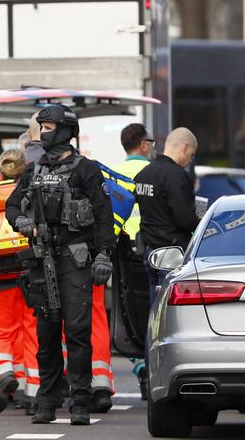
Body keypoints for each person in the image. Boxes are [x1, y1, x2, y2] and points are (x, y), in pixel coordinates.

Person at [5, 104, 115, 425]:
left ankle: (80, 399)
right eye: (42, 126)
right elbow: (13, 204)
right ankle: (48, 400)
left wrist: (104, 255)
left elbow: (104, 217)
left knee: (78, 331)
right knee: (46, 330)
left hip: (75, 257)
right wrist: (22, 221)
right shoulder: (34, 169)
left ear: (67, 131)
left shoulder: (86, 170)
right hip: (42, 258)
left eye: (49, 126)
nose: (44, 132)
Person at [0, 148, 42, 416]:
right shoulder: (31, 192)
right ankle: (34, 393)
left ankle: (3, 374)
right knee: (32, 332)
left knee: (1, 332)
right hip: (30, 273)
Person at [110, 123, 155, 399]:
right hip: (151, 247)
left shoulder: (114, 173)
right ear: (144, 144)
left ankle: (139, 365)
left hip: (122, 250)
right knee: (152, 309)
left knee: (125, 310)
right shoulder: (152, 172)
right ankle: (151, 364)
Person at [133, 127, 200, 302]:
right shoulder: (177, 176)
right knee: (168, 312)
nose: (190, 160)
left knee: (155, 309)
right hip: (171, 254)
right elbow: (185, 219)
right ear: (184, 147)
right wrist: (201, 220)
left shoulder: (143, 174)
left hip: (149, 251)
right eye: (191, 154)